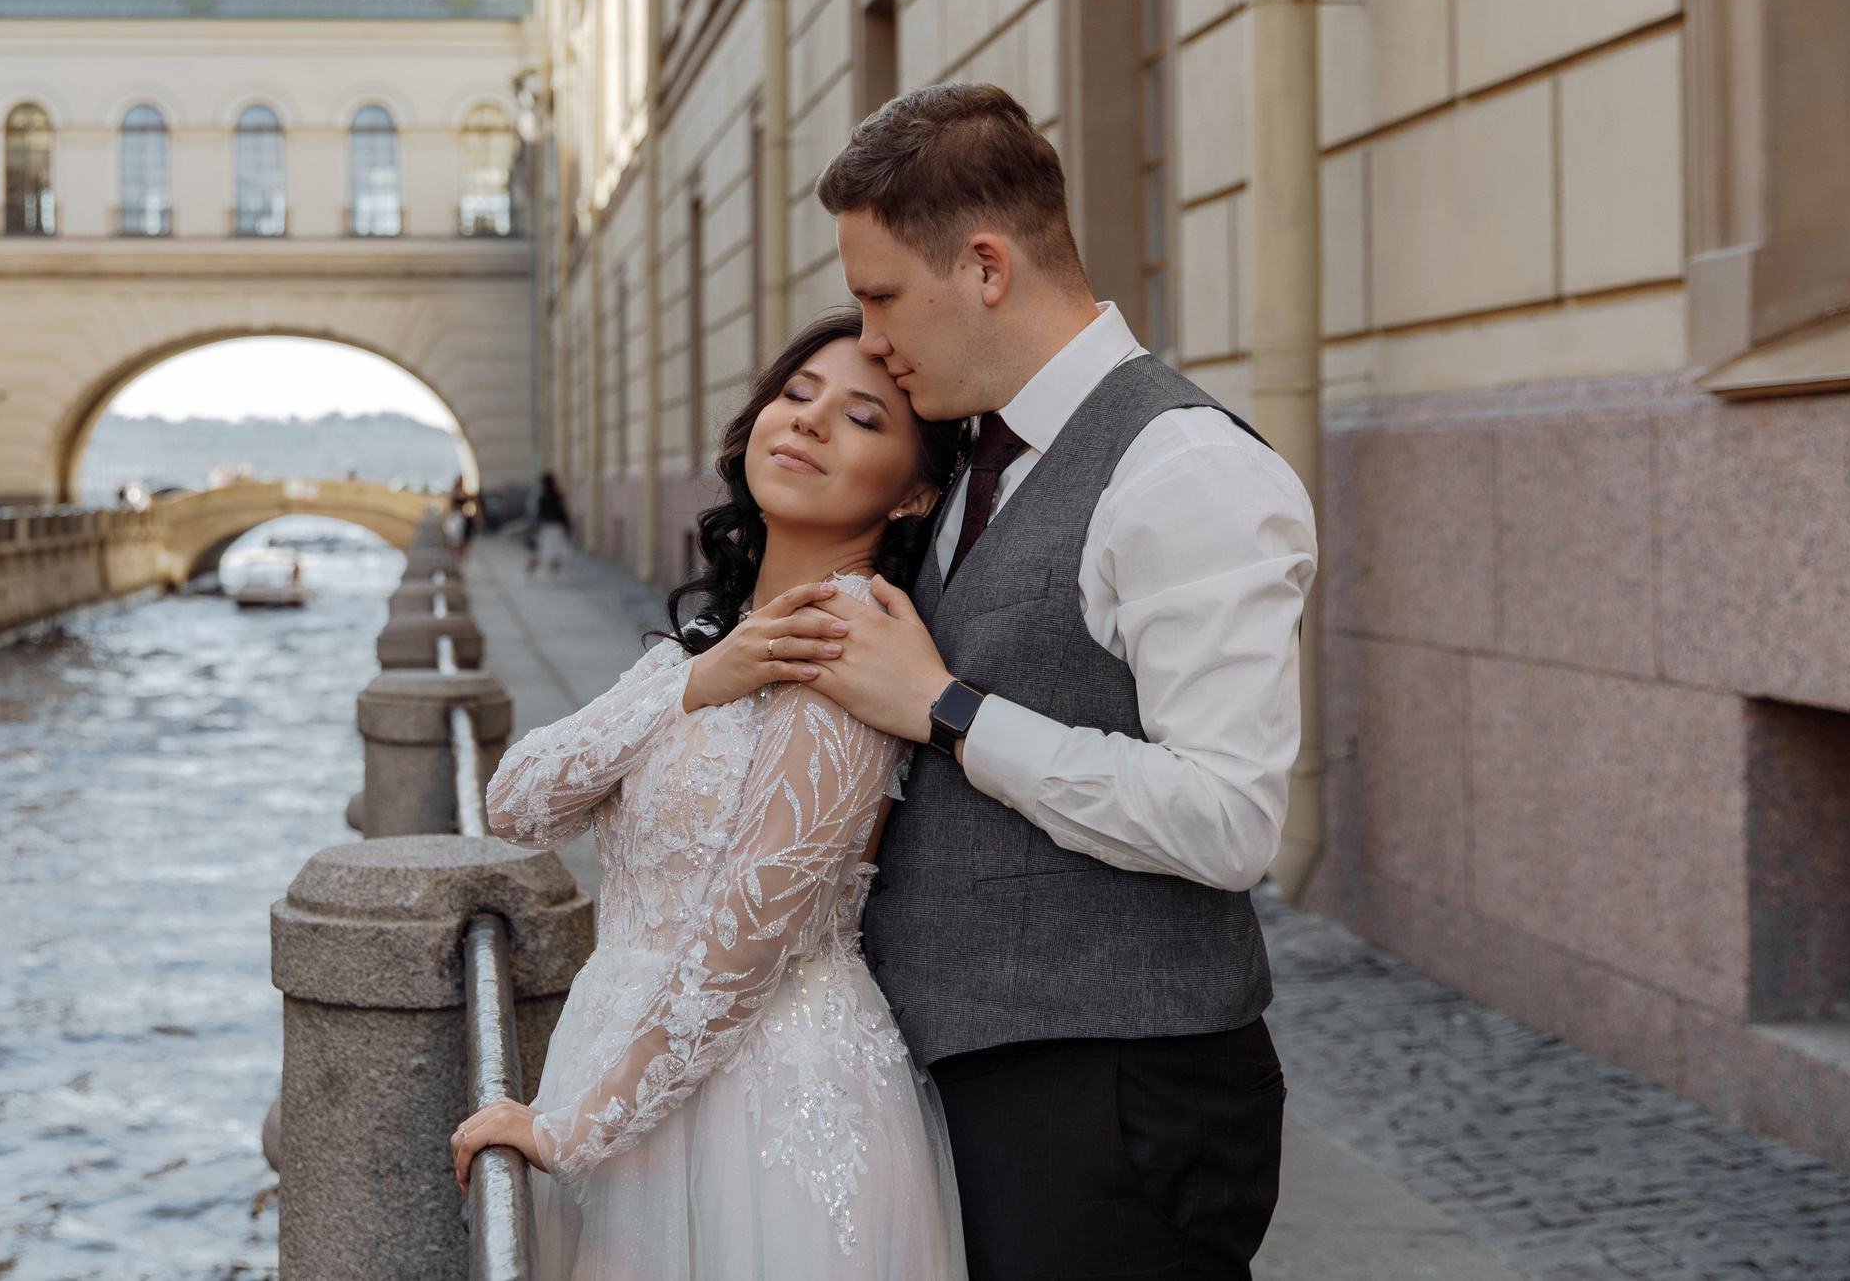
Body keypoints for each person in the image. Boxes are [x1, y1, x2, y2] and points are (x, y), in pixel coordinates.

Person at [808, 83, 1315, 1278]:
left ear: (983, 265)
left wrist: (947, 711)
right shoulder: (978, 453)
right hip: (991, 1086)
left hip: (1118, 1098)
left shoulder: (1182, 469)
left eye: (880, 297)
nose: (870, 337)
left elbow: (1229, 818)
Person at [452, 309, 968, 1279]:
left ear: (915, 492)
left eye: (861, 418)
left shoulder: (847, 633)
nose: (808, 424)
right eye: (796, 395)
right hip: (623, 1062)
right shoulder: (711, 644)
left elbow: (751, 930)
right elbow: (516, 804)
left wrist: (577, 1129)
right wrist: (692, 682)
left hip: (762, 1096)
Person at [528, 472, 570, 578]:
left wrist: (534, 529)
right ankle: (553, 574)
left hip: (548, 528)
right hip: (556, 528)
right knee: (555, 553)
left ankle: (529, 574)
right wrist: (567, 527)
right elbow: (562, 514)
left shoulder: (544, 497)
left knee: (540, 552)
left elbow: (539, 515)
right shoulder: (557, 496)